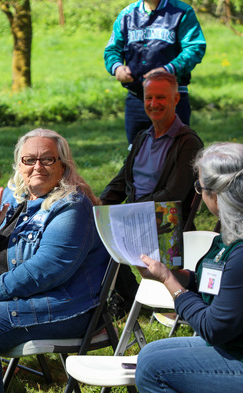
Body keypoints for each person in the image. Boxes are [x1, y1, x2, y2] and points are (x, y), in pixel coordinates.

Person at [0, 129, 110, 393]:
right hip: (22, 297)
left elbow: (48, 268)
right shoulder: (13, 195)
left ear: (63, 165)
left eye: (47, 159)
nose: (37, 166)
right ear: (19, 165)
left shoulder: (72, 206)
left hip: (65, 306)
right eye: (29, 160)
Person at [135, 142, 243, 392]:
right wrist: (179, 276)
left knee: (153, 367)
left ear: (215, 194)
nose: (199, 194)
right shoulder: (237, 235)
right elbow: (223, 288)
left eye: (199, 187)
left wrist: (169, 282)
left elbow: (213, 328)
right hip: (241, 346)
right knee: (151, 351)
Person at [100, 71, 203, 318]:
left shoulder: (187, 142)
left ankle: (131, 299)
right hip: (135, 217)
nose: (153, 104)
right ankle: (125, 296)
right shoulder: (142, 137)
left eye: (161, 98)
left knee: (105, 238)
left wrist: (126, 212)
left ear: (176, 99)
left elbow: (173, 195)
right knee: (95, 232)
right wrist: (99, 204)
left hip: (165, 224)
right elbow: (123, 178)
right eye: (149, 98)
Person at [104, 0, 206, 145]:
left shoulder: (181, 12)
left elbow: (194, 48)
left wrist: (168, 70)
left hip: (172, 97)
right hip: (137, 98)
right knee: (136, 152)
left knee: (175, 151)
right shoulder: (127, 14)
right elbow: (112, 49)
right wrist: (117, 67)